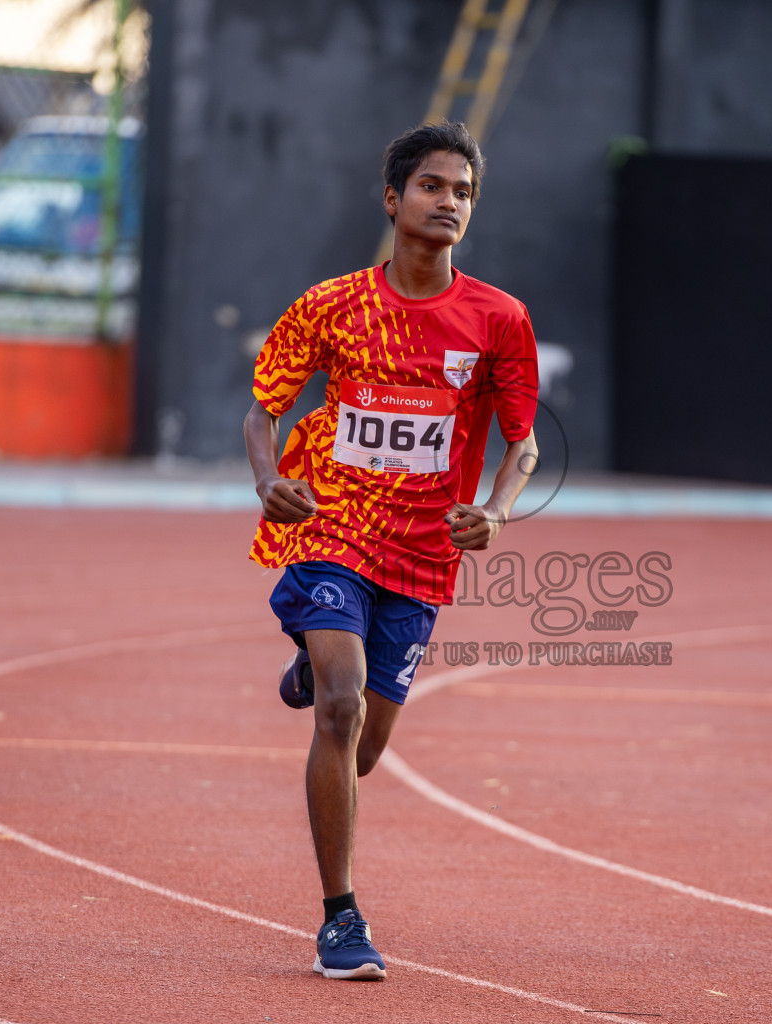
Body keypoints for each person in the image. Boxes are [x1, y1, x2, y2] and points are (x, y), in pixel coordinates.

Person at [243, 121, 539, 981]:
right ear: (394, 199)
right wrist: (268, 481)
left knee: (363, 748)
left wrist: (499, 509)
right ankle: (341, 919)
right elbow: (265, 407)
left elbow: (521, 442)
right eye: (434, 187)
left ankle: (313, 662)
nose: (450, 203)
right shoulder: (332, 306)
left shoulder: (498, 320)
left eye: (465, 193)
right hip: (332, 529)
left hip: (420, 556)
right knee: (341, 709)